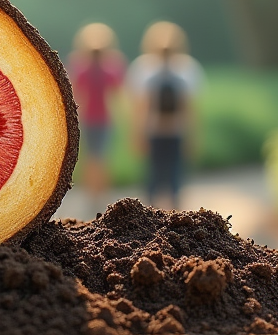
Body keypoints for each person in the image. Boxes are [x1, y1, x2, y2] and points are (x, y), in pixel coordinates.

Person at [127, 21, 203, 211]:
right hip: (169, 132)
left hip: (161, 132)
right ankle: (169, 216)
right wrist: (192, 137)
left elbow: (140, 108)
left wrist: (137, 134)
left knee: (161, 180)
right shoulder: (186, 70)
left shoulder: (145, 69)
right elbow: (190, 109)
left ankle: (159, 218)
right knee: (166, 180)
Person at [67, 23, 126, 211]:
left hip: (100, 120)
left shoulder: (105, 69)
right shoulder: (85, 69)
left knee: (98, 158)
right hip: (91, 120)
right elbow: (76, 93)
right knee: (95, 158)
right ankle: (93, 195)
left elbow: (116, 93)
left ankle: (98, 194)